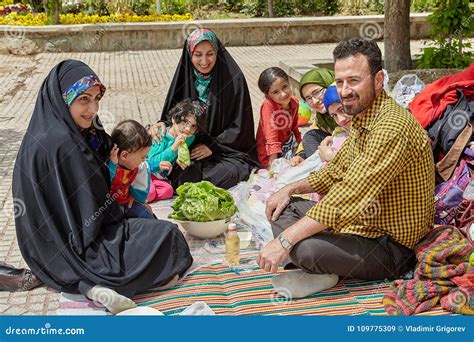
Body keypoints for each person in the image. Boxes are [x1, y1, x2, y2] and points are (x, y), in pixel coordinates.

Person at [257, 38, 435, 299]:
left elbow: (347, 195)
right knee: (281, 207)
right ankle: (323, 264)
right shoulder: (363, 116)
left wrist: (284, 241)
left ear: (378, 80)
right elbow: (336, 171)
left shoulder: (391, 127)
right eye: (339, 82)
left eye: (354, 81)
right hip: (359, 223)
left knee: (305, 249)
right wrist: (289, 188)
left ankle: (324, 268)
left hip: (390, 246)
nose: (345, 90)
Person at [12, 60, 193, 314]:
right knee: (167, 236)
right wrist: (125, 211)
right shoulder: (63, 143)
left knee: (157, 230)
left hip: (52, 247)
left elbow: (112, 153)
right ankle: (92, 283)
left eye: (97, 98)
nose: (93, 108)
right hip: (79, 244)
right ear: (64, 99)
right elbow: (95, 208)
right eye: (84, 99)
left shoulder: (72, 127)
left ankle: (90, 286)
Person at [151, 28, 259, 189]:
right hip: (188, 149)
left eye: (210, 54)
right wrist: (160, 124)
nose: (204, 61)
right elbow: (172, 115)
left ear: (218, 53)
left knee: (231, 172)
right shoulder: (184, 78)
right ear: (189, 55)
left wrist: (213, 146)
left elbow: (240, 127)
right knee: (179, 174)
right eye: (198, 55)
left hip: (225, 152)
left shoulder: (233, 80)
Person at [146, 99, 203, 202]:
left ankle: (147, 192)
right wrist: (173, 147)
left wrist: (179, 159)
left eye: (193, 126)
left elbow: (181, 153)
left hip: (161, 177)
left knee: (168, 191)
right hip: (147, 172)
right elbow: (152, 160)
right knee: (150, 193)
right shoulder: (160, 136)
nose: (188, 129)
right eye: (185, 122)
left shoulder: (190, 138)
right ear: (173, 119)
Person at [256, 67, 302, 168]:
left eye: (285, 87)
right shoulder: (268, 106)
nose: (283, 94)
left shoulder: (294, 103)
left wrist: (301, 147)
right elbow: (271, 136)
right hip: (269, 152)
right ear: (268, 95)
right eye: (275, 92)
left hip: (286, 145)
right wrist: (273, 163)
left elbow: (294, 128)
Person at [291, 68, 338, 166]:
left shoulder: (348, 105)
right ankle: (317, 168)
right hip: (333, 148)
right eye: (308, 98)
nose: (315, 101)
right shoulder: (321, 116)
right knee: (310, 135)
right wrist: (301, 155)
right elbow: (313, 131)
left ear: (329, 85)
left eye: (317, 92)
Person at [109, 120, 155, 218]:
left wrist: (159, 165)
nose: (143, 160)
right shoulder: (110, 167)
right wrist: (112, 165)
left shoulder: (132, 164)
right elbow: (105, 181)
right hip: (111, 209)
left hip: (128, 203)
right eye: (142, 157)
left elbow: (148, 165)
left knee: (148, 215)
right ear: (124, 155)